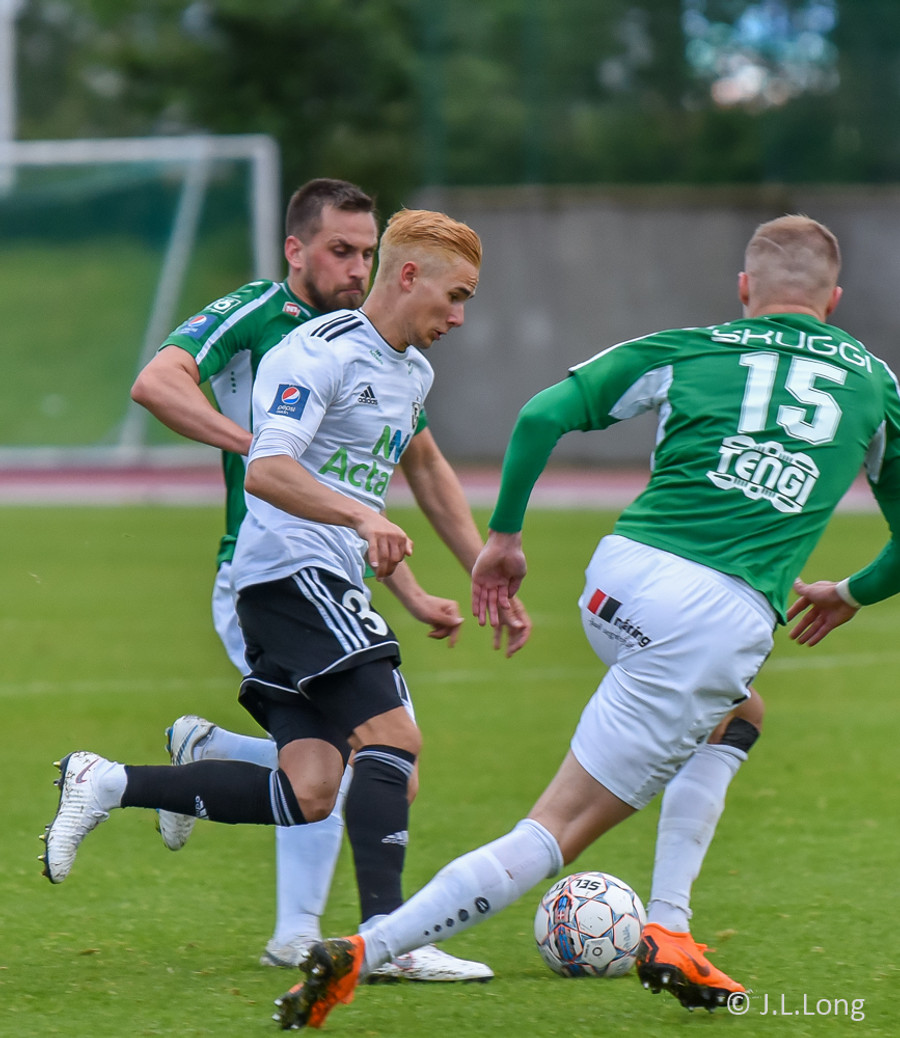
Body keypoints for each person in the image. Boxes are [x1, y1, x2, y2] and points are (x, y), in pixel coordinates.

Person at [270, 214, 900, 1030]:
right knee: (556, 827)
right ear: (834, 300)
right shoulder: (874, 382)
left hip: (618, 580)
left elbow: (541, 415)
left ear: (745, 289)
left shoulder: (688, 347)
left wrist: (503, 539)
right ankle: (366, 951)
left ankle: (670, 927)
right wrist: (850, 592)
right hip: (712, 619)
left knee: (738, 711)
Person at [41, 210, 527, 990]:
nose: (460, 317)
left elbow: (371, 484)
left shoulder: (412, 374)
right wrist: (364, 521)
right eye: (456, 296)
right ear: (409, 277)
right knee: (393, 744)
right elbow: (269, 470)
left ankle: (108, 782)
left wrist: (422, 583)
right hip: (290, 576)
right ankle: (387, 940)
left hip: (323, 580)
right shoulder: (314, 350)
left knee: (310, 789)